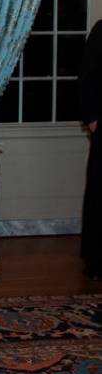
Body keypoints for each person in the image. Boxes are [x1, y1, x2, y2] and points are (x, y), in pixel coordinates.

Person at [79, 19, 102, 280]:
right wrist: (93, 118)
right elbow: (88, 77)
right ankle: (96, 260)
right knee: (99, 194)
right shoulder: (101, 30)